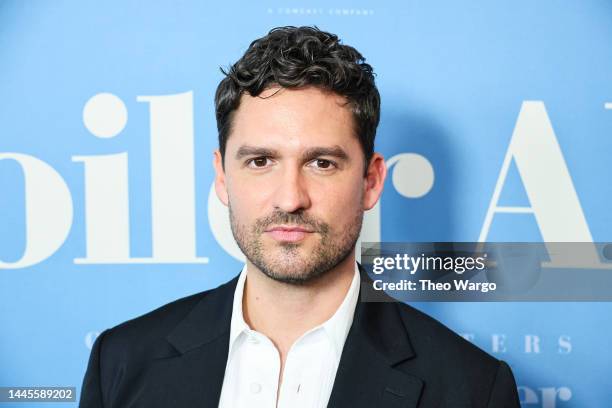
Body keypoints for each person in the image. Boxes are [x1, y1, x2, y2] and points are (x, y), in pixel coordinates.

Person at [79, 26, 520, 408]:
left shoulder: (473, 389)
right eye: (260, 161)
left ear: (370, 181)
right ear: (221, 176)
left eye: (321, 163)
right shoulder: (121, 363)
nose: (290, 198)